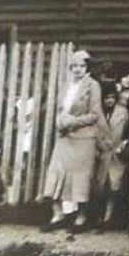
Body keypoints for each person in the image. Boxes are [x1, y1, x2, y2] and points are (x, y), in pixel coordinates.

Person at [41, 50, 106, 234]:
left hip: (84, 138)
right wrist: (60, 121)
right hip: (64, 137)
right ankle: (58, 215)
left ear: (87, 68)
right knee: (56, 172)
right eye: (75, 66)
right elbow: (61, 109)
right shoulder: (66, 86)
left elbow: (94, 114)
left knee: (80, 178)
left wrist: (73, 122)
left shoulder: (92, 85)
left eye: (82, 66)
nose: (78, 69)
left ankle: (80, 218)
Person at [94, 84, 129, 231]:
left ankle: (108, 217)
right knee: (99, 187)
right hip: (101, 154)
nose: (109, 101)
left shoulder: (123, 112)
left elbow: (127, 131)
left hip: (116, 154)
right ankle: (98, 215)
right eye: (106, 98)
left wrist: (123, 144)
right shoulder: (97, 113)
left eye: (112, 97)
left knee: (114, 187)